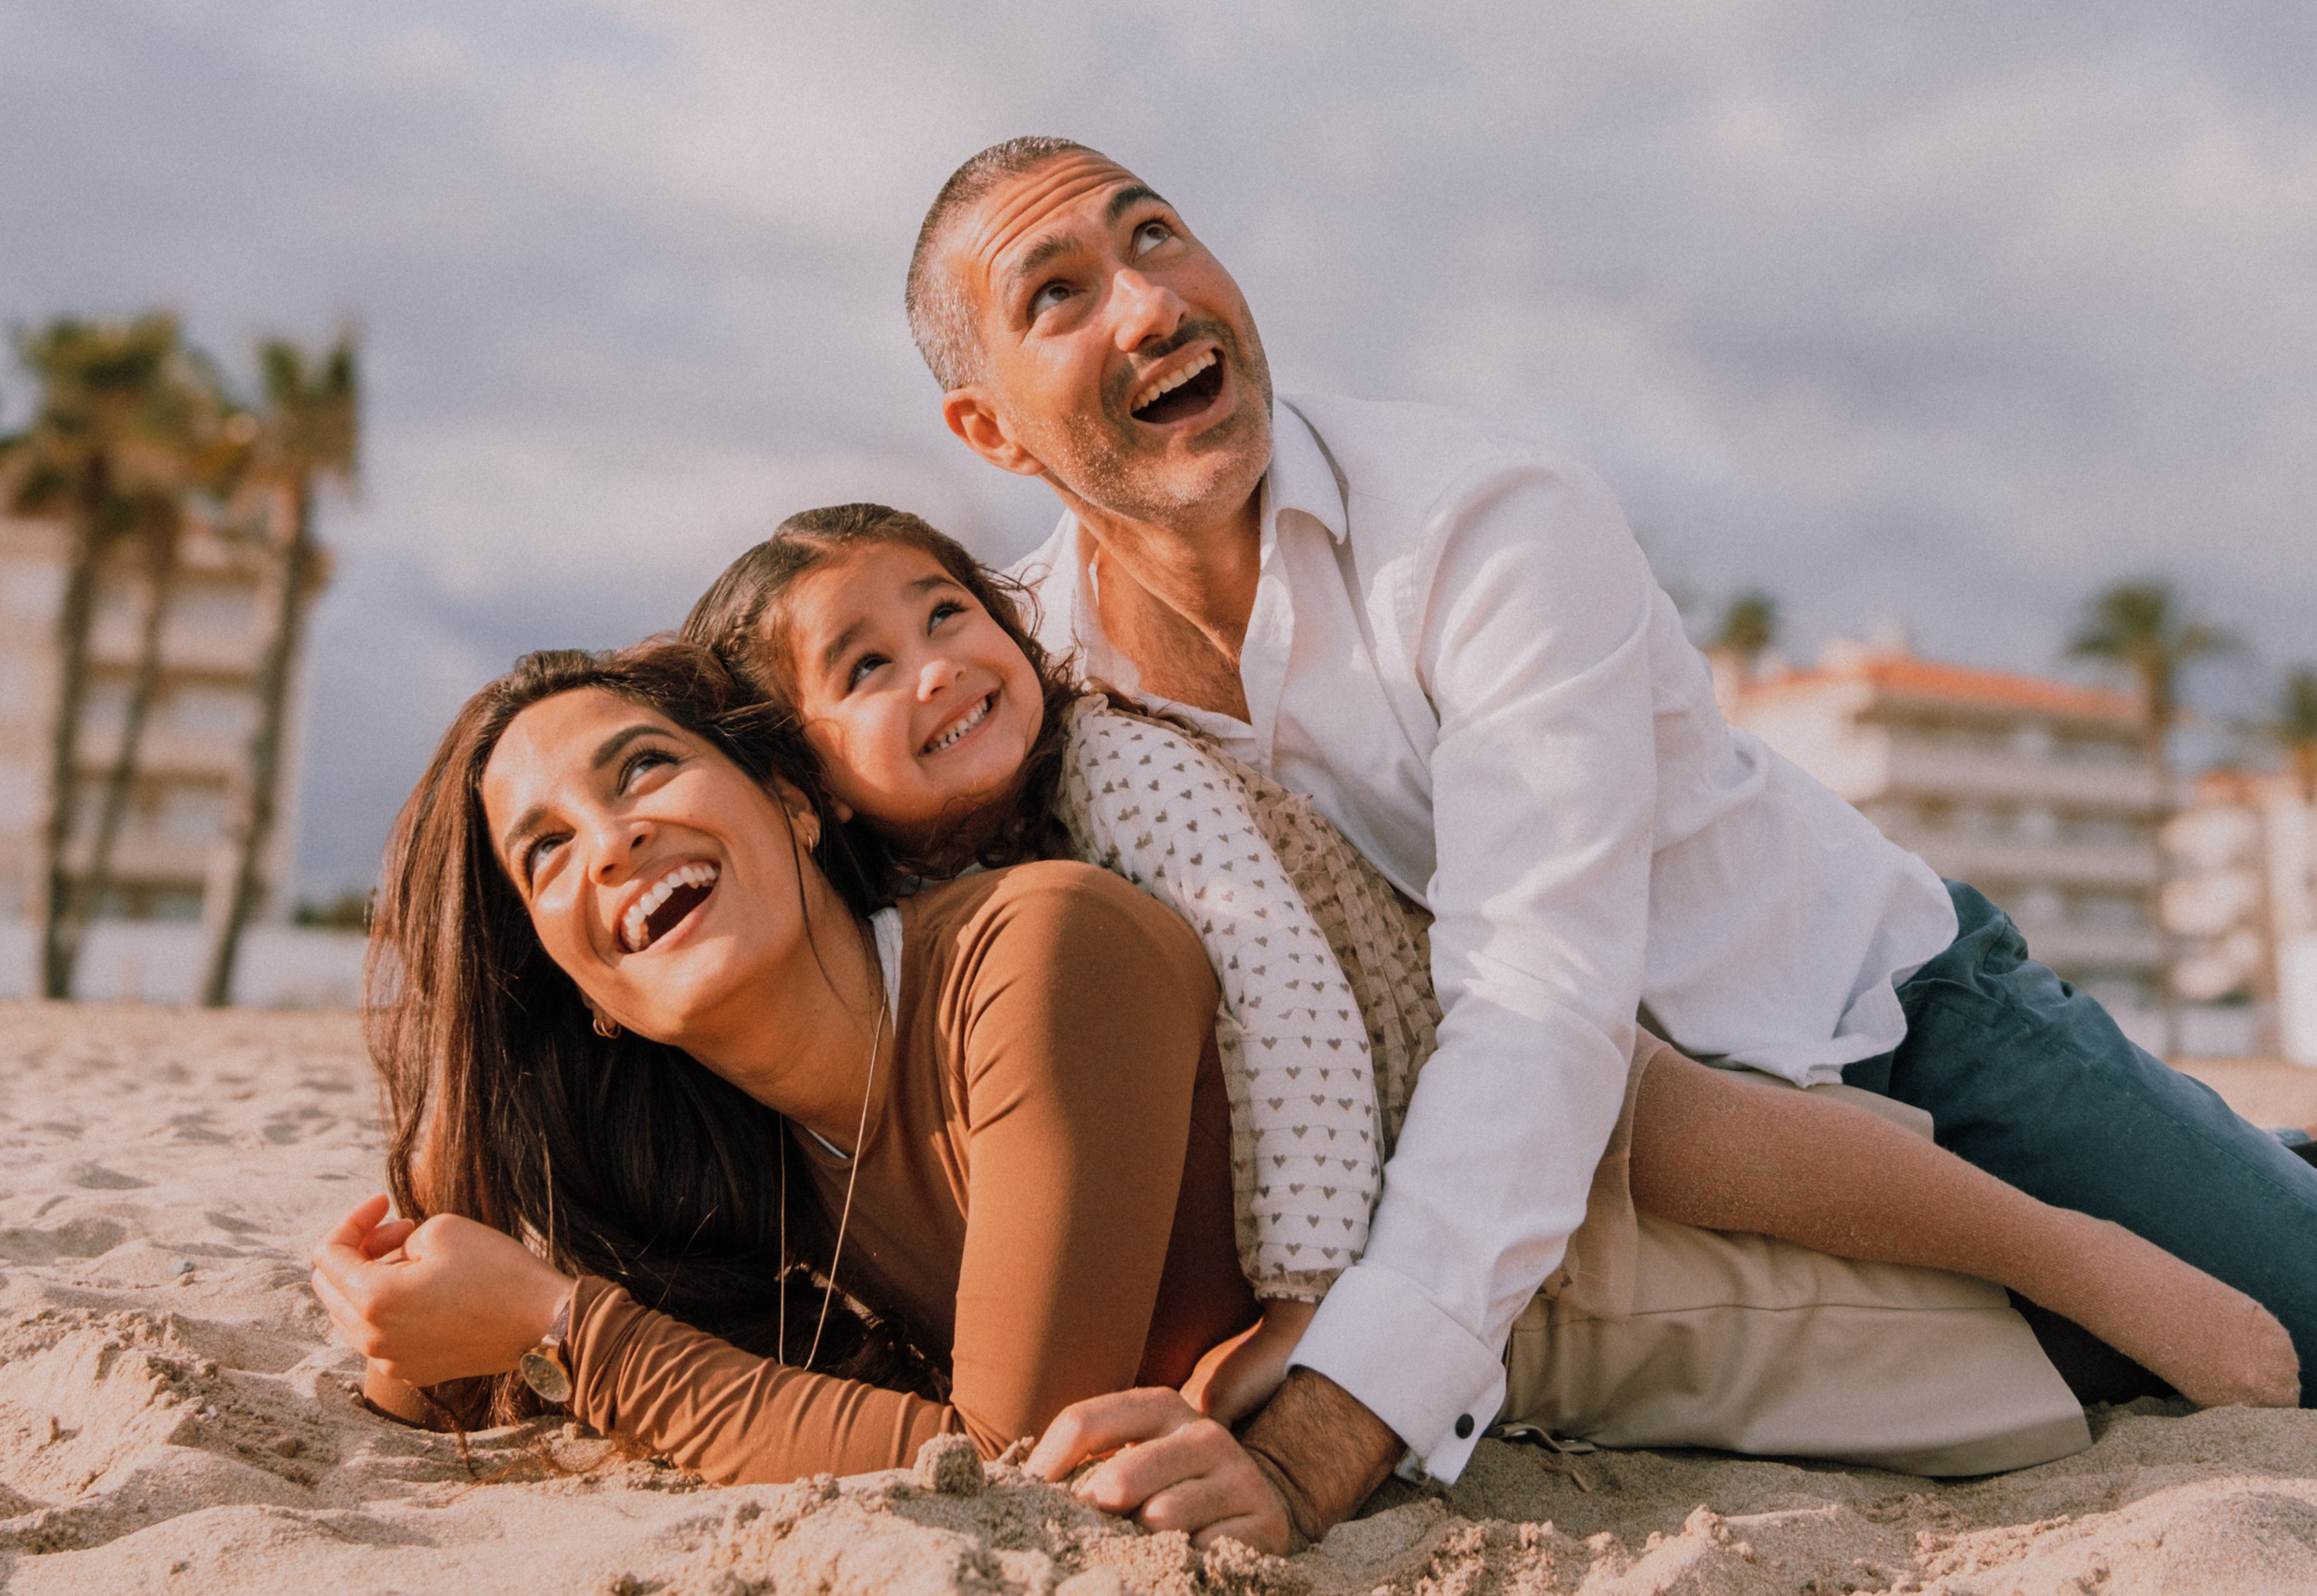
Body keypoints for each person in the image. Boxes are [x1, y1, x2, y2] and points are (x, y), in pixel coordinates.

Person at [896, 135, 2317, 1548]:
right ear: (991, 431)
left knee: (2290, 1316)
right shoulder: (1028, 673)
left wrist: (1328, 1437)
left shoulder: (1483, 525)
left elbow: (1536, 1002)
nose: (1151, 303)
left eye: (1154, 233)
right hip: (1632, 1181)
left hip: (1884, 1019)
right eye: (1057, 292)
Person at [678, 501, 2291, 1437]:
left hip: (1449, 1033)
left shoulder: (1118, 772)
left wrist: (1309, 1301)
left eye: (946, 612)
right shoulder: (918, 914)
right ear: (801, 781)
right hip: (1403, 1116)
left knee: (1715, 1143)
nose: (938, 666)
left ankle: (2087, 1253)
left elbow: (1289, 1014)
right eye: (865, 665)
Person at [311, 642, 1262, 1481]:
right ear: (582, 989)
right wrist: (420, 1253)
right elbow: (440, 1392)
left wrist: (563, 1328)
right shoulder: (735, 1155)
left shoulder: (1043, 951)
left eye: (643, 767)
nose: (611, 842)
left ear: (792, 800)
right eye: (547, 848)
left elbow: (1014, 1466)